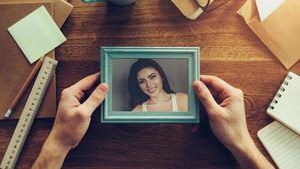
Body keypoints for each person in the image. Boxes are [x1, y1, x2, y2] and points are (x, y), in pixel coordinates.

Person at [32, 73, 274, 169]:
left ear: (161, 76)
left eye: (152, 77)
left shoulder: (183, 98)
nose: (149, 84)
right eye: (141, 81)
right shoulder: (138, 109)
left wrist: (58, 143)